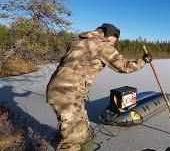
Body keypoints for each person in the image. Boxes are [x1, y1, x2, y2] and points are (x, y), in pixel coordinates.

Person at [46, 23, 153, 151]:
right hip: (68, 94)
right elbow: (124, 66)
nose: (114, 43)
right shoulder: (102, 45)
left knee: (83, 130)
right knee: (73, 140)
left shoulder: (76, 42)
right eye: (114, 40)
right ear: (110, 35)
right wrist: (143, 60)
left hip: (60, 91)